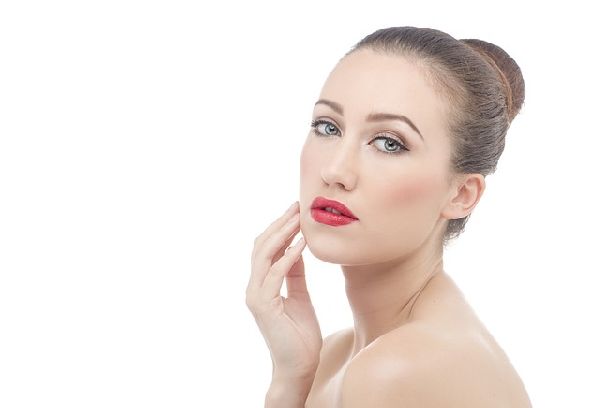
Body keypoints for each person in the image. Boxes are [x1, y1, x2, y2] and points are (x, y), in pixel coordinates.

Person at [245, 26, 531, 408]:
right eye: (328, 127)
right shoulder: (333, 356)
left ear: (461, 194)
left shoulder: (399, 369)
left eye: (388, 143)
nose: (335, 171)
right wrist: (290, 379)